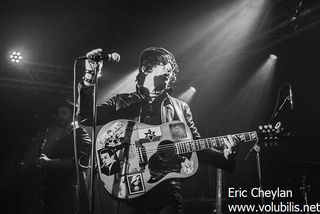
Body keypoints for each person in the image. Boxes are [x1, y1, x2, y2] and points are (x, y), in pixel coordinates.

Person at [77, 47, 237, 214]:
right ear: (147, 69)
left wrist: (224, 158)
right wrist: (90, 78)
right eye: (164, 65)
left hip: (167, 190)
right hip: (129, 186)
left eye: (171, 70)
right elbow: (86, 117)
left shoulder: (180, 108)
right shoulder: (121, 102)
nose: (170, 70)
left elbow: (195, 146)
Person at [37, 101, 91, 214]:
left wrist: (49, 162)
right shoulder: (61, 137)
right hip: (55, 194)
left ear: (73, 115)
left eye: (64, 113)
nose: (60, 116)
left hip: (69, 194)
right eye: (58, 113)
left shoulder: (80, 133)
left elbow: (81, 162)